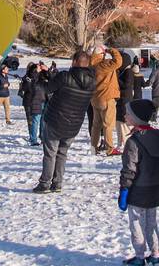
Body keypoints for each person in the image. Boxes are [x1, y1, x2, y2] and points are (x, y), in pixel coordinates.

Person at [34, 50, 95, 193]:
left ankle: (44, 184)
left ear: (74, 62)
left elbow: (46, 89)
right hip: (74, 125)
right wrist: (49, 73)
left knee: (50, 153)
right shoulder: (93, 81)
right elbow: (63, 84)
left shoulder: (65, 76)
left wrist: (38, 77)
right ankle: (57, 183)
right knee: (62, 153)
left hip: (55, 121)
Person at [118, 99, 159, 266]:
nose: (125, 116)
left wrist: (124, 189)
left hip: (138, 190)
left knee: (136, 223)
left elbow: (129, 169)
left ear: (136, 118)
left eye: (128, 114)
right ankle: (155, 253)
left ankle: (139, 255)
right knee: (151, 222)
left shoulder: (133, 142)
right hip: (155, 189)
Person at [90, 46, 123, 156]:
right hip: (107, 97)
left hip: (95, 98)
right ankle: (110, 148)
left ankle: (93, 148)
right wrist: (111, 50)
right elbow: (118, 61)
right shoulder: (103, 64)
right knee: (108, 124)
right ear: (100, 55)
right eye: (103, 54)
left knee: (96, 125)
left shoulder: (91, 65)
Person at [19, 61, 48, 146]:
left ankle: (42, 137)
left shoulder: (42, 75)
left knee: (43, 121)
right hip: (32, 101)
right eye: (38, 66)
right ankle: (33, 139)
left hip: (43, 100)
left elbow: (51, 78)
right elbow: (26, 87)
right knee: (33, 121)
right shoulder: (29, 77)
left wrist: (47, 70)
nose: (40, 67)